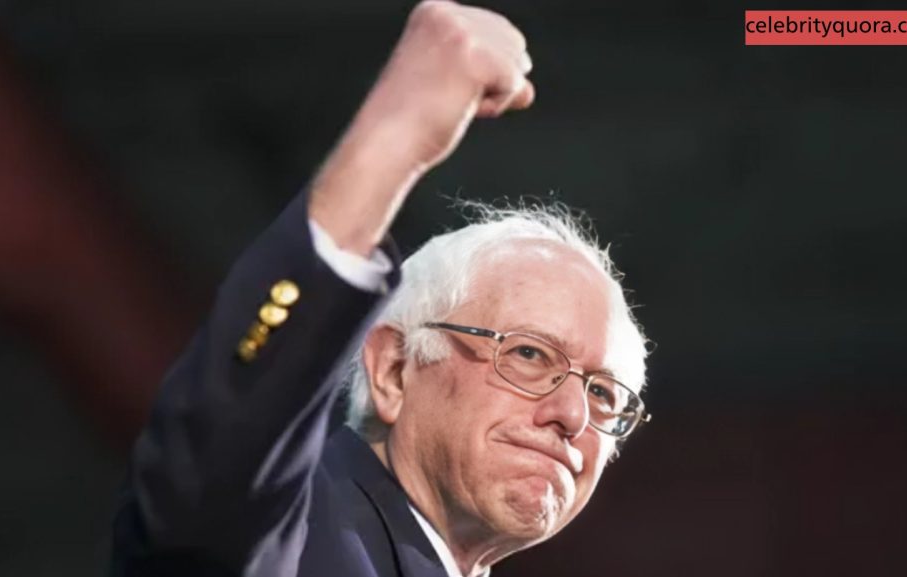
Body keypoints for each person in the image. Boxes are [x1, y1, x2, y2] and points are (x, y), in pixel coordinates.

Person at [110, 2, 650, 576]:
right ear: (393, 369)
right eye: (528, 354)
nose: (571, 413)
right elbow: (210, 463)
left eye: (602, 395)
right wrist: (397, 131)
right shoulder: (295, 538)